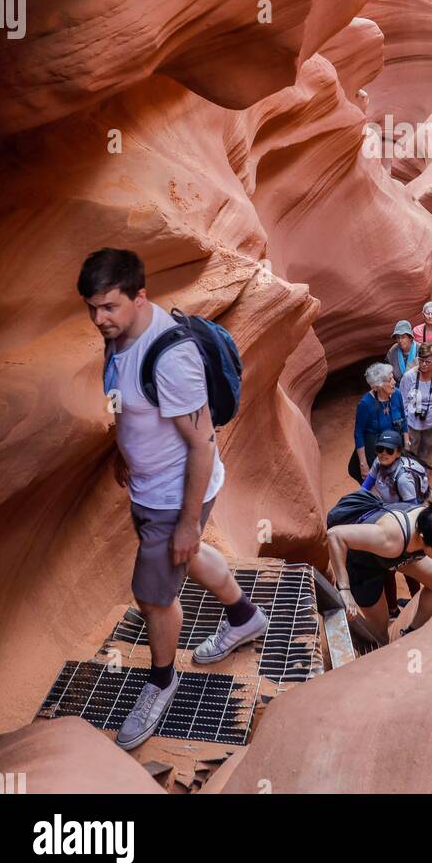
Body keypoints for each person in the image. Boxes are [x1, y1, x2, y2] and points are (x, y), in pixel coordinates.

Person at [77, 248, 268, 751]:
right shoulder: (119, 336)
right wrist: (125, 448)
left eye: (110, 307)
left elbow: (202, 444)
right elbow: (122, 396)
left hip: (172, 495)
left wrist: (186, 521)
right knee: (189, 556)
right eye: (92, 308)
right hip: (150, 484)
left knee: (154, 594)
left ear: (140, 297)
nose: (99, 319)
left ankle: (162, 682)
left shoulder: (170, 356)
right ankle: (245, 616)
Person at [328, 492, 432, 644]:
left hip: (399, 554)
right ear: (422, 539)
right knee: (380, 633)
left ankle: (412, 632)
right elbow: (335, 535)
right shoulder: (391, 539)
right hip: (363, 564)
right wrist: (345, 589)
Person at [361, 428, 428, 614]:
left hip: (404, 524)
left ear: (398, 453)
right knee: (387, 568)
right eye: (380, 448)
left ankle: (416, 606)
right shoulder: (378, 462)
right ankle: (393, 610)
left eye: (389, 450)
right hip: (389, 516)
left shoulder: (404, 478)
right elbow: (366, 487)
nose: (383, 454)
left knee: (407, 566)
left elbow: (411, 510)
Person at [350, 362, 407, 481]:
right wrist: (363, 464)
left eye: (393, 378)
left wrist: (406, 442)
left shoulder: (397, 394)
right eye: (390, 380)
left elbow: (403, 418)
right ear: (378, 386)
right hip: (375, 452)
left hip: (394, 448)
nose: (394, 382)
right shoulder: (365, 404)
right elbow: (359, 433)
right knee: (378, 484)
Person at [398, 343, 432, 466]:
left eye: (428, 361)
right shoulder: (409, 377)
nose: (424, 364)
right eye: (421, 360)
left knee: (426, 452)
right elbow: (402, 402)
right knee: (410, 453)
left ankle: (423, 478)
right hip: (412, 423)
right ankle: (411, 479)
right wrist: (404, 427)